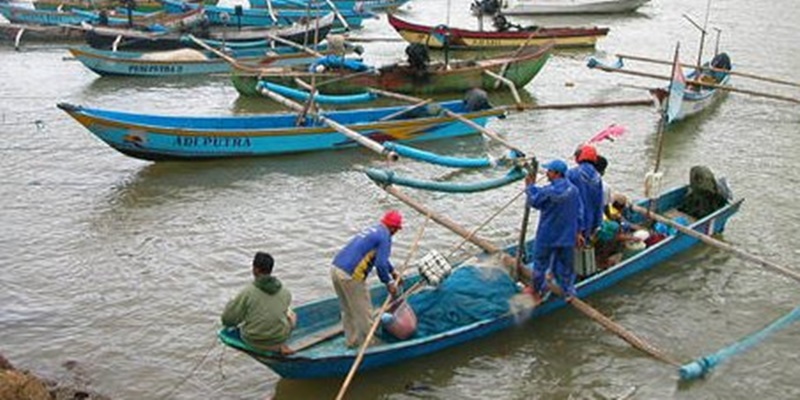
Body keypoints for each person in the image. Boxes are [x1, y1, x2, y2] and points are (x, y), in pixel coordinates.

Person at [331, 210, 403, 347]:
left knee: (348, 310)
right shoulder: (385, 236)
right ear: (394, 228)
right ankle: (368, 345)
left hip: (336, 269)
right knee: (364, 313)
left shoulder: (375, 230)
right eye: (397, 230)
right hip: (351, 276)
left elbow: (380, 258)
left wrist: (393, 271)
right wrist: (388, 283)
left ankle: (352, 341)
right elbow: (380, 264)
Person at [524, 159, 582, 301]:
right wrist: (578, 232)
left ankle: (536, 290)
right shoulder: (574, 190)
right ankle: (568, 292)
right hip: (567, 236)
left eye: (549, 171)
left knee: (540, 265)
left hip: (547, 235)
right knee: (566, 267)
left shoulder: (549, 192)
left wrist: (529, 186)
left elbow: (535, 201)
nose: (547, 174)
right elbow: (580, 213)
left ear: (556, 174)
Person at [221, 252, 297, 355]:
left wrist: (231, 305)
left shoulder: (247, 292)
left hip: (253, 341)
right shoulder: (285, 292)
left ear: (255, 269)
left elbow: (227, 320)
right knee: (292, 314)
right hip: (278, 339)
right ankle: (280, 346)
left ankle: (275, 345)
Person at [567, 145, 604, 247]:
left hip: (574, 221)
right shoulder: (597, 177)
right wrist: (597, 224)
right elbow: (599, 202)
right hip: (590, 221)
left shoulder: (572, 174)